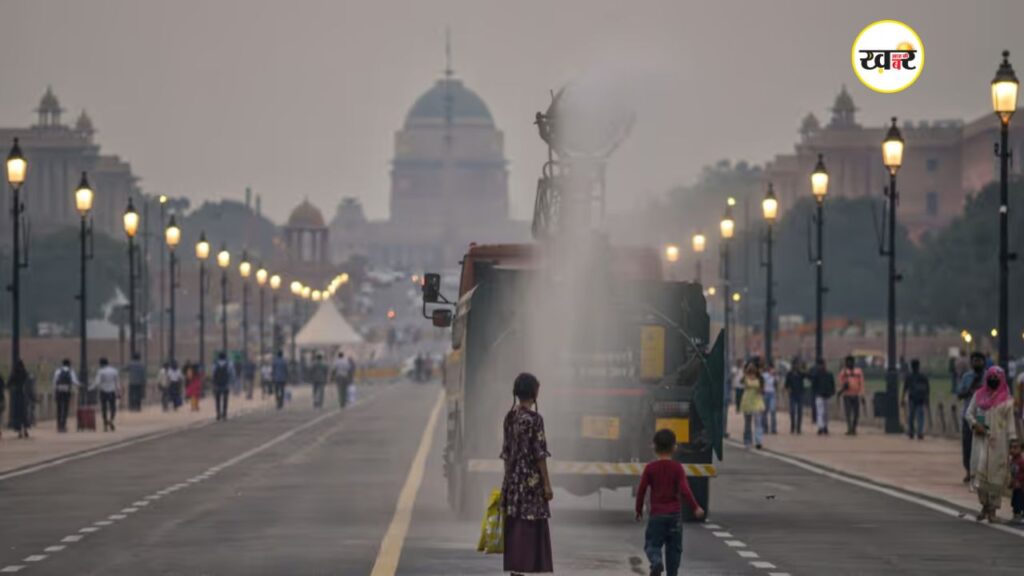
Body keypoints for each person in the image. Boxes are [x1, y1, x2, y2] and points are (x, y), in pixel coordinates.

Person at [501, 373, 553, 575]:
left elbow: (506, 452)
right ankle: (524, 568)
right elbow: (539, 454)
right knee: (529, 525)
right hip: (531, 482)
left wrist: (508, 482)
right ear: (534, 393)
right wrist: (547, 485)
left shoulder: (510, 417)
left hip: (513, 480)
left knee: (516, 525)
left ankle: (515, 570)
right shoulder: (534, 420)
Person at [634, 429, 704, 576]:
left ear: (653, 447)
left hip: (657, 515)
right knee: (674, 550)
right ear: (675, 447)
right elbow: (685, 490)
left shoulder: (650, 468)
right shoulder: (677, 468)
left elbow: (641, 490)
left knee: (652, 545)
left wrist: (638, 510)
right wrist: (695, 507)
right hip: (674, 516)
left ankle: (656, 561)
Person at [966, 366, 1017, 522]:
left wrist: (1013, 440)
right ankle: (984, 506)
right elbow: (969, 413)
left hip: (999, 443)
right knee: (979, 472)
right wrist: (975, 424)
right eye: (991, 377)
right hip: (980, 441)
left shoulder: (1007, 400)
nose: (993, 380)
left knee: (996, 475)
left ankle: (993, 510)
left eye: (996, 377)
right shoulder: (979, 395)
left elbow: (1010, 423)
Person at [957, 352, 987, 484]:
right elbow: (959, 393)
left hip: (983, 416)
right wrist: (969, 390)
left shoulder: (989, 376)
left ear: (984, 362)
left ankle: (981, 472)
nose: (977, 363)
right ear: (971, 362)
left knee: (983, 444)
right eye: (975, 360)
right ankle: (969, 471)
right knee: (967, 444)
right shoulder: (967, 377)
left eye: (979, 361)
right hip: (968, 415)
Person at [91, 357, 123, 432]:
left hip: (103, 391)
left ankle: (105, 424)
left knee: (104, 408)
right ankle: (111, 420)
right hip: (112, 391)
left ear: (101, 364)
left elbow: (97, 382)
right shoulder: (114, 371)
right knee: (113, 408)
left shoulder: (100, 371)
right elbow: (117, 382)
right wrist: (119, 392)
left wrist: (91, 388)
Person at [902, 359, 930, 440]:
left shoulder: (909, 376)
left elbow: (905, 388)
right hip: (921, 398)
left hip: (912, 398)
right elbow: (927, 388)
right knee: (920, 416)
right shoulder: (923, 376)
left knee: (911, 416)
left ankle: (911, 431)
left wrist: (902, 398)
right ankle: (920, 432)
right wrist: (927, 398)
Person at [739, 363, 765, 449]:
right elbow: (741, 381)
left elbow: (762, 390)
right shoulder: (745, 378)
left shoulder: (759, 379)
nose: (752, 374)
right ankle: (747, 441)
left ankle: (758, 441)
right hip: (747, 402)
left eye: (753, 372)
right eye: (750, 372)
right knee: (748, 423)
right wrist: (745, 374)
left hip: (756, 402)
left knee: (758, 422)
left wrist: (761, 389)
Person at [838, 356, 864, 435]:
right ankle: (849, 428)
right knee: (848, 412)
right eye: (848, 362)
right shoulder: (843, 372)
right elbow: (840, 382)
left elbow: (862, 383)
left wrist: (862, 394)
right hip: (847, 394)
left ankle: (854, 428)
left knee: (856, 413)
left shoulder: (858, 372)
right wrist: (843, 387)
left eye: (851, 362)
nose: (849, 363)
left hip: (856, 394)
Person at [52, 359, 79, 433]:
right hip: (67, 391)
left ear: (62, 364)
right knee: (66, 408)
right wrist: (79, 385)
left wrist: (54, 391)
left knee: (59, 408)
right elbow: (74, 381)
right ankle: (63, 425)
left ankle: (59, 425)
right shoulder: (70, 371)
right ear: (69, 364)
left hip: (59, 391)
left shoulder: (58, 371)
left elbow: (54, 382)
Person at [811, 358, 836, 435]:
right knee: (820, 412)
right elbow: (814, 385)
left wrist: (832, 391)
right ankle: (821, 427)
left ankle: (825, 426)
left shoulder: (829, 374)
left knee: (826, 412)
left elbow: (832, 384)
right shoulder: (816, 375)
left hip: (827, 395)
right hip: (819, 395)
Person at [8, 360, 32, 438]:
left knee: (17, 414)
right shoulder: (25, 373)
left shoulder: (14, 374)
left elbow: (8, 384)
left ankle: (19, 432)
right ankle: (25, 430)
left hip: (16, 396)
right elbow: (29, 384)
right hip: (23, 396)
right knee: (24, 414)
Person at [784, 359, 806, 434]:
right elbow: (786, 385)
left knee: (800, 411)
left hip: (800, 394)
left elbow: (807, 375)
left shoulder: (800, 373)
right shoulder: (789, 374)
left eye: (797, 364)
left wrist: (803, 368)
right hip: (792, 394)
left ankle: (798, 428)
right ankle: (792, 426)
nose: (796, 366)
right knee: (792, 411)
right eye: (795, 364)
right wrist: (788, 389)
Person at [212, 352, 234, 421]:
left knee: (217, 400)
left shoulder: (215, 364)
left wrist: (214, 383)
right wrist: (231, 382)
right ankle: (224, 414)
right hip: (225, 384)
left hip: (217, 384)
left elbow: (213, 373)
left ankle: (218, 414)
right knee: (225, 400)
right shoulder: (229, 364)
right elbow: (232, 373)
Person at [1009, 439, 1024, 524]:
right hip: (1015, 486)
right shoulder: (1012, 461)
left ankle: (1019, 515)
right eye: (1011, 447)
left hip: (1021, 487)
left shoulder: (1021, 461)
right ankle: (1016, 515)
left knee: (1019, 500)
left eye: (1015, 448)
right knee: (1014, 501)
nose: (1012, 450)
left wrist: (1020, 482)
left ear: (1021, 450)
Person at [761, 362, 778, 435]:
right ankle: (765, 428)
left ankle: (773, 428)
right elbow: (762, 383)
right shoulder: (764, 375)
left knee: (773, 411)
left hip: (772, 394)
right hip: (765, 393)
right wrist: (770, 375)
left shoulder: (775, 376)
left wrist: (774, 376)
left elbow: (776, 384)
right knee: (764, 412)